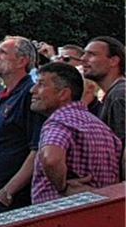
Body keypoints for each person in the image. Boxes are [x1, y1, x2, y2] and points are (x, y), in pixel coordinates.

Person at [30, 62, 122, 204]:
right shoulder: (102, 128)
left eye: (41, 84)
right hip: (100, 215)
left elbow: (51, 159)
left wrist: (63, 186)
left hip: (58, 216)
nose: (32, 90)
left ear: (63, 94)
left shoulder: (59, 122)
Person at [0, 36, 42, 215]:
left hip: (13, 200)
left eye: (3, 52)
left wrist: (8, 190)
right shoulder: (4, 96)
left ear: (22, 61)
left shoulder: (30, 96)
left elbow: (36, 149)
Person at [82, 37, 125, 151]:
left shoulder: (119, 96)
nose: (83, 59)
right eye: (84, 53)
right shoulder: (114, 94)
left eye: (91, 54)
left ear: (114, 61)